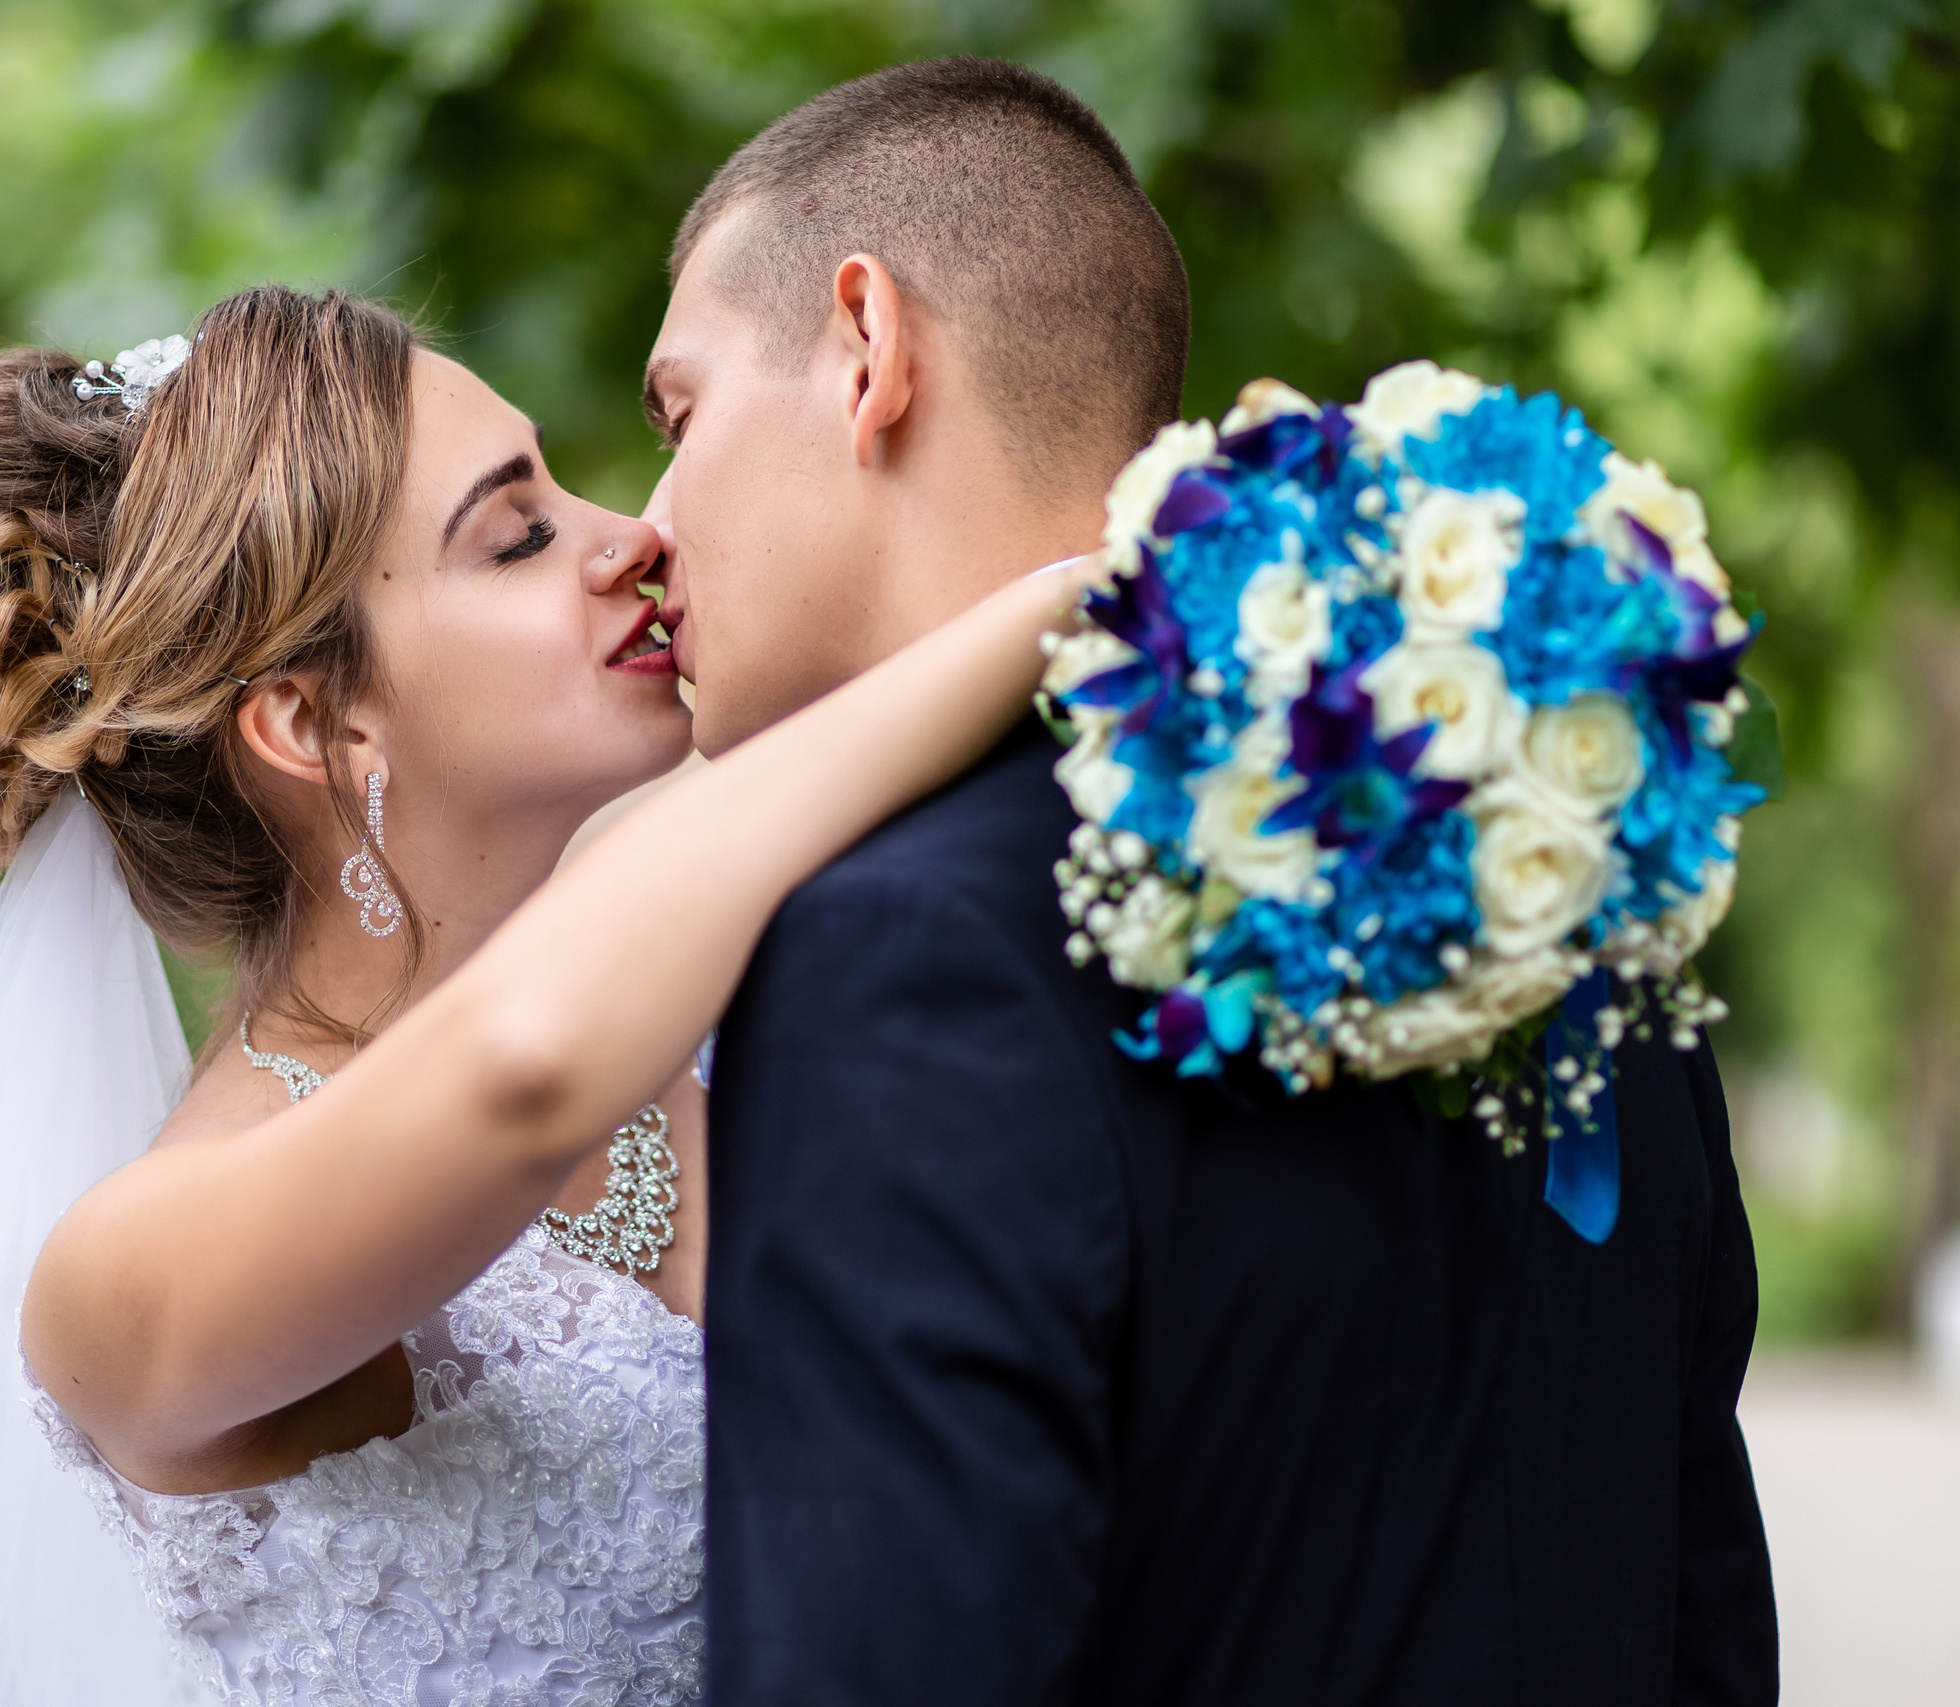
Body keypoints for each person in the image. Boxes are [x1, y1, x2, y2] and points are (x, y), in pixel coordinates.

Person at [0, 279, 1083, 1707]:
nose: (633, 538)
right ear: (313, 722)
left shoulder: (780, 998)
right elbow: (523, 1074)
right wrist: (1076, 601)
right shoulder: (124, 1280)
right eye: (518, 537)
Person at [646, 56, 1781, 1705]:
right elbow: (1700, 1630)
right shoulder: (1567, 907)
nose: (653, 520)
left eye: (679, 414)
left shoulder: (902, 953)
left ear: (866, 346)